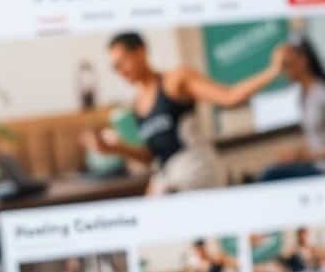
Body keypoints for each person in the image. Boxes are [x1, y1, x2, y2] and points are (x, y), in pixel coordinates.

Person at [82, 31, 286, 196]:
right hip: (169, 174)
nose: (120, 71)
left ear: (141, 52)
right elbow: (152, 155)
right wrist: (114, 149)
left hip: (196, 169)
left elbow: (230, 96)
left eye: (122, 62)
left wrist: (273, 71)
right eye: (115, 67)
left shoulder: (176, 81)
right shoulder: (136, 104)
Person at [260, 36, 325, 182]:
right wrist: (296, 155)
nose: (284, 71)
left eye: (287, 65)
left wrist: (309, 155)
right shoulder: (303, 96)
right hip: (318, 166)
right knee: (272, 171)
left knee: (270, 176)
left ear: (303, 61)